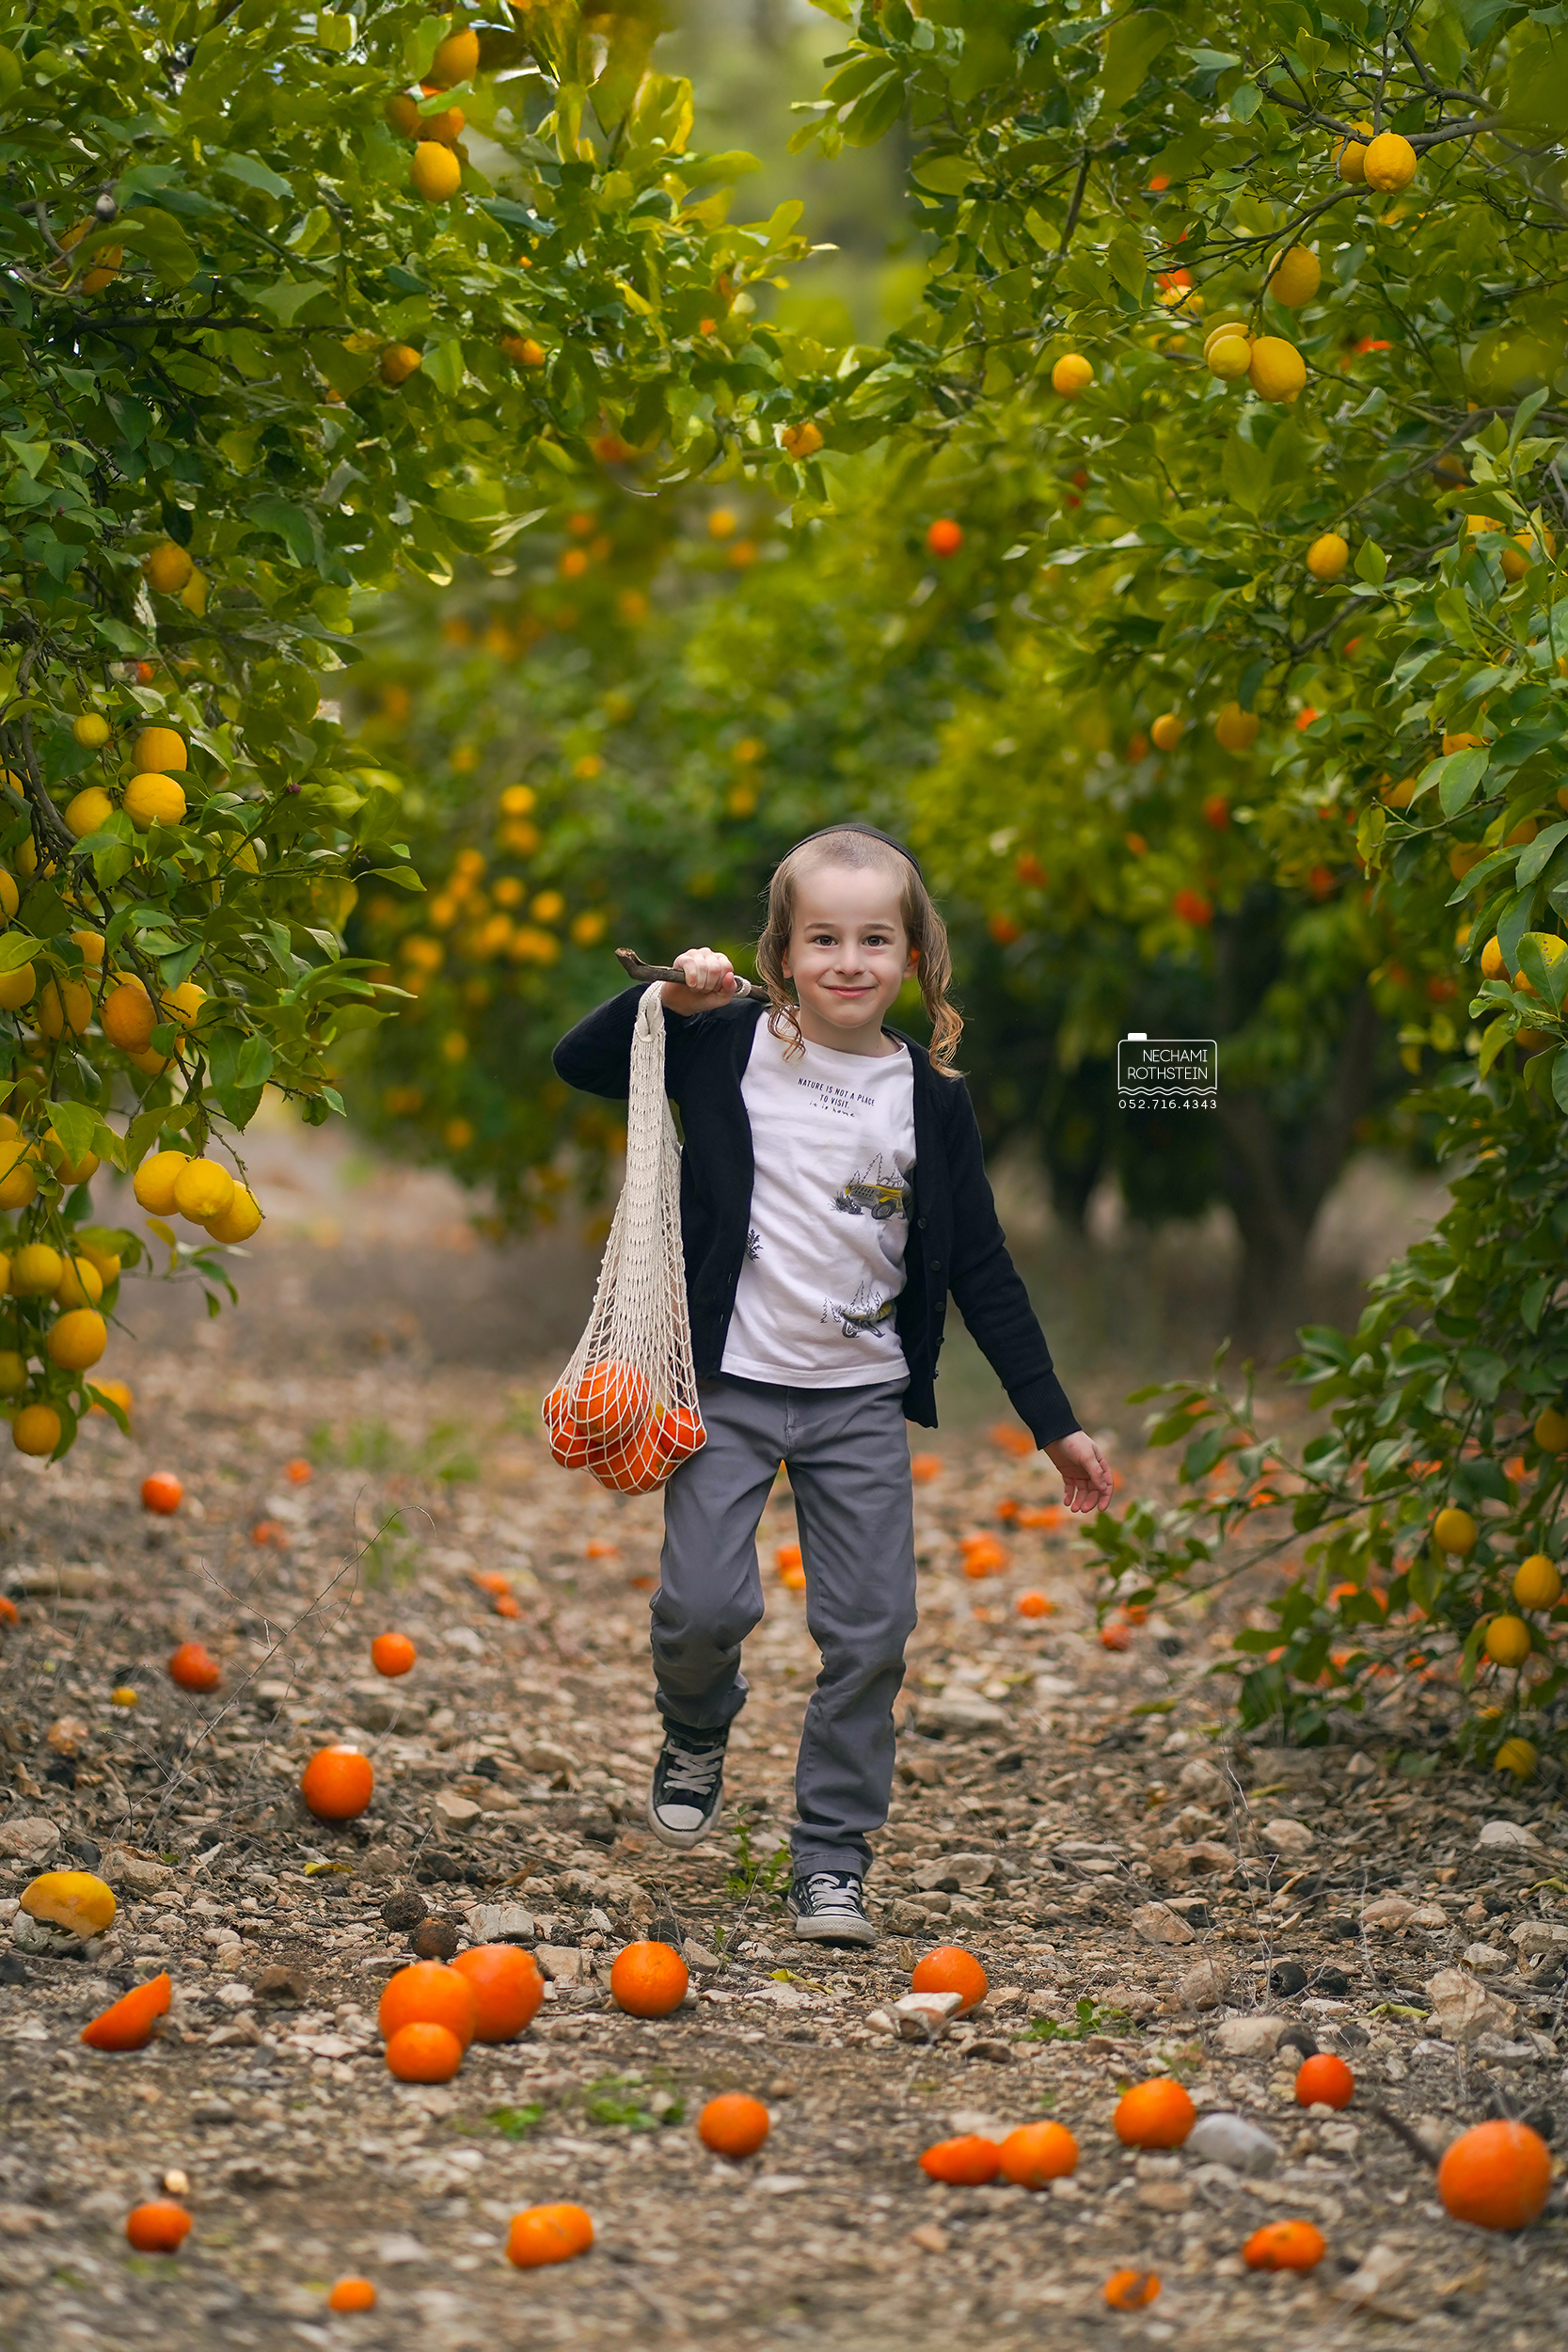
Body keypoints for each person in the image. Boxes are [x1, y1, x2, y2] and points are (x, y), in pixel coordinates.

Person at [552, 824, 1111, 1945]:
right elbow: (580, 1064)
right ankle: (697, 1723)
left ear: (913, 957)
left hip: (858, 1398)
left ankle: (830, 1859)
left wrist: (1053, 1424)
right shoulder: (730, 1048)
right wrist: (671, 1001)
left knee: (871, 1634)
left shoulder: (928, 1099)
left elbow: (983, 1270)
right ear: (780, 953)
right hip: (724, 1387)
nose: (847, 960)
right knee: (703, 1606)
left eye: (873, 938)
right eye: (822, 938)